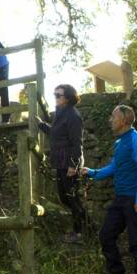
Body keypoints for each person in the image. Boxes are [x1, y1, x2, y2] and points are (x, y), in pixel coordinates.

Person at [80, 105, 137, 274]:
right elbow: (115, 166)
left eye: (113, 117)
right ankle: (116, 273)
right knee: (106, 235)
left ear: (124, 120)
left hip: (134, 200)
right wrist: (92, 173)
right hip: (120, 198)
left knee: (136, 241)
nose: (110, 120)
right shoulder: (119, 142)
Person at [38, 84, 90, 243]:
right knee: (65, 198)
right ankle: (88, 226)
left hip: (69, 164)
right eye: (54, 94)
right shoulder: (61, 114)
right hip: (61, 162)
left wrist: (74, 165)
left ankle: (79, 233)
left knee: (71, 198)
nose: (55, 97)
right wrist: (41, 124)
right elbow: (56, 134)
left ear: (67, 98)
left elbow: (77, 143)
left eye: (58, 95)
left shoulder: (73, 116)